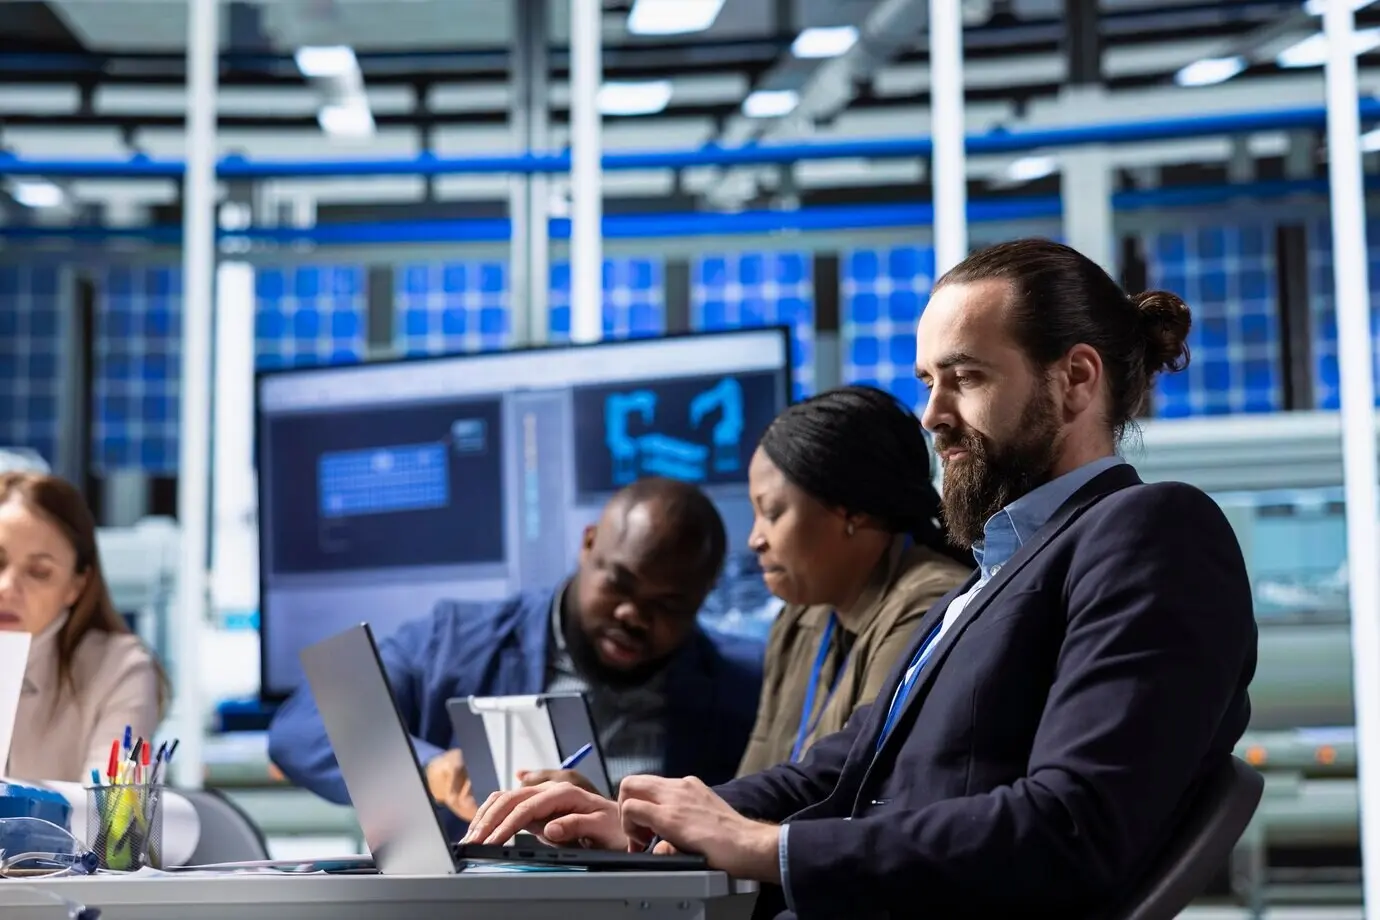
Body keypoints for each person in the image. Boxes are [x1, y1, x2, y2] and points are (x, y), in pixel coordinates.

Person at [461, 238, 1259, 920]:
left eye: (966, 378)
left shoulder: (1152, 533)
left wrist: (770, 849)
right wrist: (643, 820)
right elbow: (837, 771)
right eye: (927, 382)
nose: (933, 413)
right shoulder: (990, 575)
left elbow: (1073, 825)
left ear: (1076, 380)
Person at [268, 476, 763, 836]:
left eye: (668, 605)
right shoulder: (457, 641)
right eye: (620, 583)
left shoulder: (747, 686)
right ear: (588, 544)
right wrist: (428, 768)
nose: (633, 615)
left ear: (703, 599)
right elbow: (302, 729)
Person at [733, 385, 972, 775]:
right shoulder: (799, 617)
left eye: (773, 513)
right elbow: (751, 783)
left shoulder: (930, 608)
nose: (755, 539)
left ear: (853, 512)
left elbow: (859, 785)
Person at [1, 471, 167, 782]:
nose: (7, 587)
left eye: (39, 572)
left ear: (76, 585)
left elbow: (113, 823)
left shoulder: (120, 669)